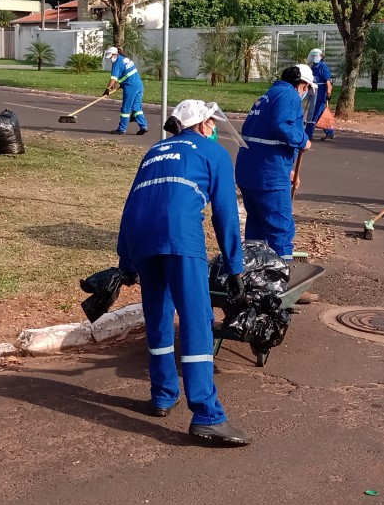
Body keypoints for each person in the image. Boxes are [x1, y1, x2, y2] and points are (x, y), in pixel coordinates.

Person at [117, 99, 250, 446]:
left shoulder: (155, 151)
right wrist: (235, 267)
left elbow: (134, 204)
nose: (214, 128)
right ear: (204, 124)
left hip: (142, 236)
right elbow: (225, 213)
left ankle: (163, 394)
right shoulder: (212, 152)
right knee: (196, 321)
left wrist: (126, 263)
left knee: (158, 317)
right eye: (212, 122)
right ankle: (207, 415)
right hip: (180, 237)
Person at [234, 64, 313, 260]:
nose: (305, 92)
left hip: (249, 172)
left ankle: (255, 274)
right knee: (280, 229)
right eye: (306, 88)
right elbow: (281, 127)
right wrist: (303, 140)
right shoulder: (289, 95)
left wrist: (289, 171)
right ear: (300, 83)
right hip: (269, 176)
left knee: (256, 227)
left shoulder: (267, 96)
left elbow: (262, 135)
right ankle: (283, 279)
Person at [103, 45, 149, 136]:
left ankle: (121, 129)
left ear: (115, 54)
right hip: (138, 85)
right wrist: (120, 84)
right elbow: (126, 75)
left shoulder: (117, 63)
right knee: (136, 108)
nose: (111, 59)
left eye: (111, 57)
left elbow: (113, 78)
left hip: (130, 87)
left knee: (125, 108)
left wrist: (107, 89)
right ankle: (143, 126)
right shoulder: (125, 59)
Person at [305, 48, 333, 140]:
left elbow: (328, 82)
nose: (314, 58)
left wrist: (328, 93)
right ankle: (330, 132)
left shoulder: (323, 67)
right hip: (313, 94)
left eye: (316, 56)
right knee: (320, 114)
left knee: (313, 114)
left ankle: (308, 134)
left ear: (321, 57)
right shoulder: (313, 67)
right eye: (313, 56)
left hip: (320, 95)